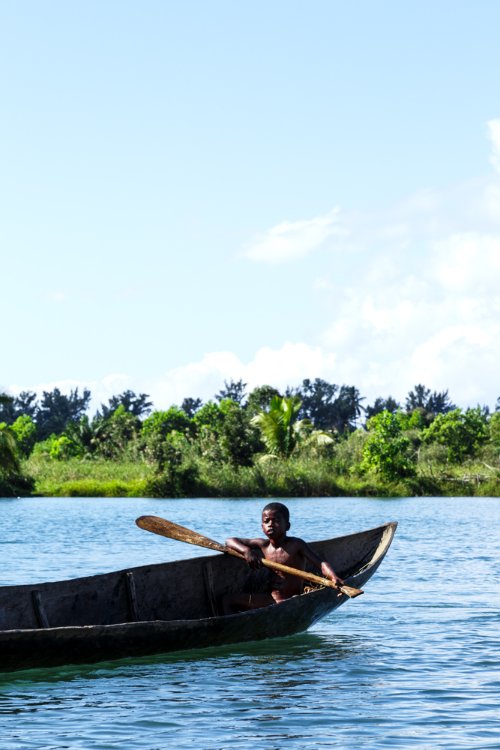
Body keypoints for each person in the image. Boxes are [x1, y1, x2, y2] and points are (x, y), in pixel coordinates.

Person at [222, 502, 344, 614]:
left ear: (287, 526)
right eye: (266, 521)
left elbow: (321, 563)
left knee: (287, 604)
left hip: (291, 600)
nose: (271, 524)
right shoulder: (263, 545)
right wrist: (246, 551)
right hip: (270, 599)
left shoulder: (296, 545)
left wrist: (333, 577)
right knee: (227, 600)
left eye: (276, 521)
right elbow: (230, 541)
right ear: (262, 526)